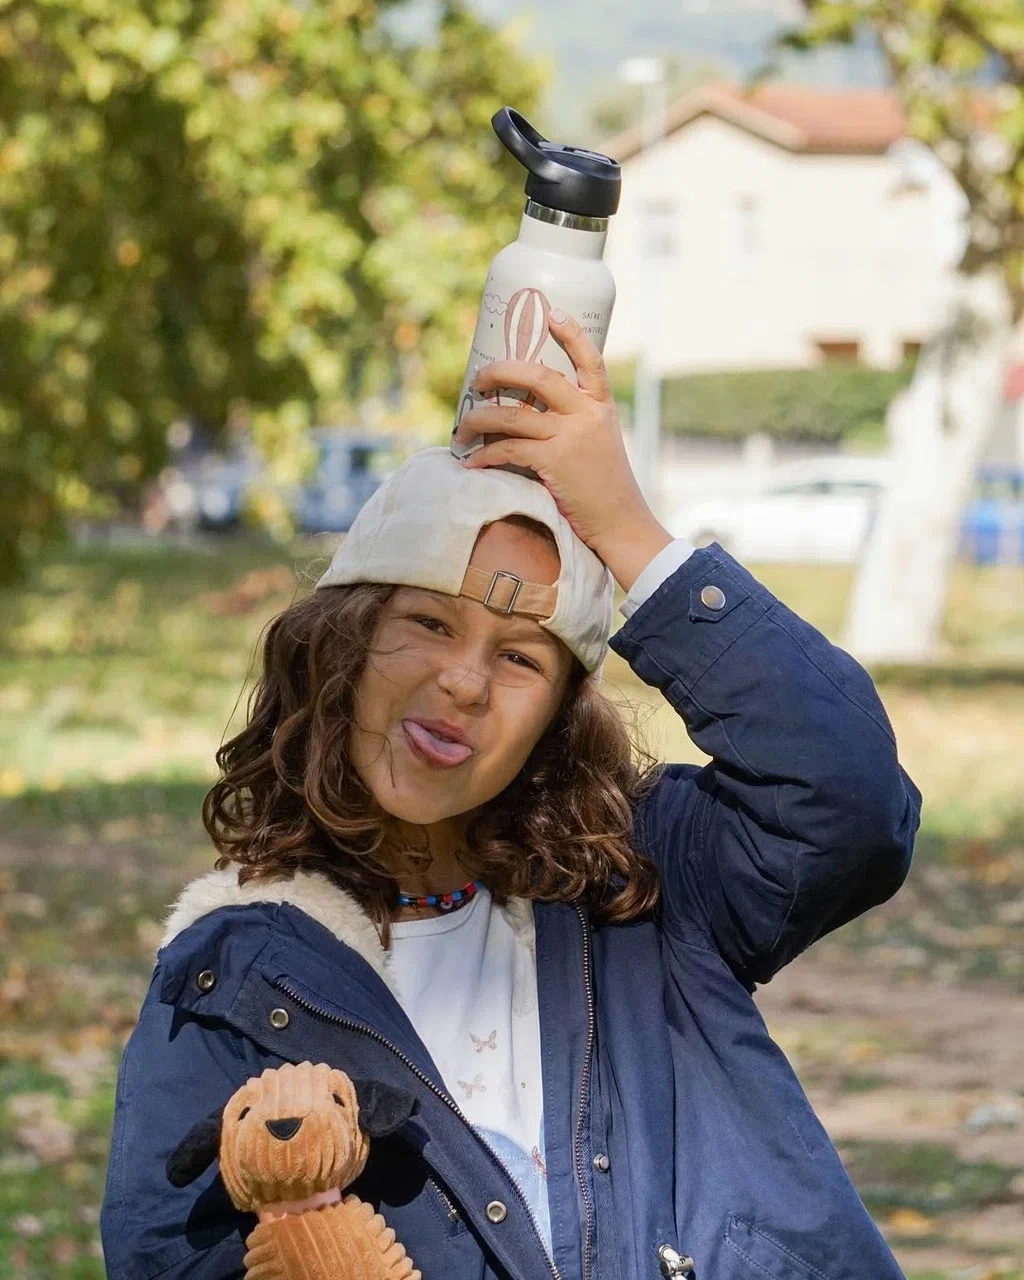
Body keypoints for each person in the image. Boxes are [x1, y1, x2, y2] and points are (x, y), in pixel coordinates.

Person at [100, 311, 921, 1280]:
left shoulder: (644, 879)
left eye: (521, 657)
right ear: (341, 646)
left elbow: (848, 799)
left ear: (558, 721)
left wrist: (628, 530)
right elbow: (170, 1254)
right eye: (428, 623)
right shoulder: (233, 970)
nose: (464, 682)